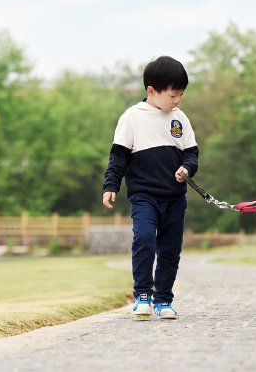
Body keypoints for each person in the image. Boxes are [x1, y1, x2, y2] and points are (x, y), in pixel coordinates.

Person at [102, 56, 199, 319]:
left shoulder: (180, 119)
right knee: (144, 239)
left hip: (175, 199)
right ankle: (143, 295)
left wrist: (187, 169)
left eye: (181, 94)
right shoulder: (132, 118)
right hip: (144, 197)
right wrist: (111, 184)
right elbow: (118, 157)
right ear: (151, 91)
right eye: (173, 94)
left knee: (170, 250)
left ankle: (163, 300)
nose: (177, 100)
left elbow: (192, 154)